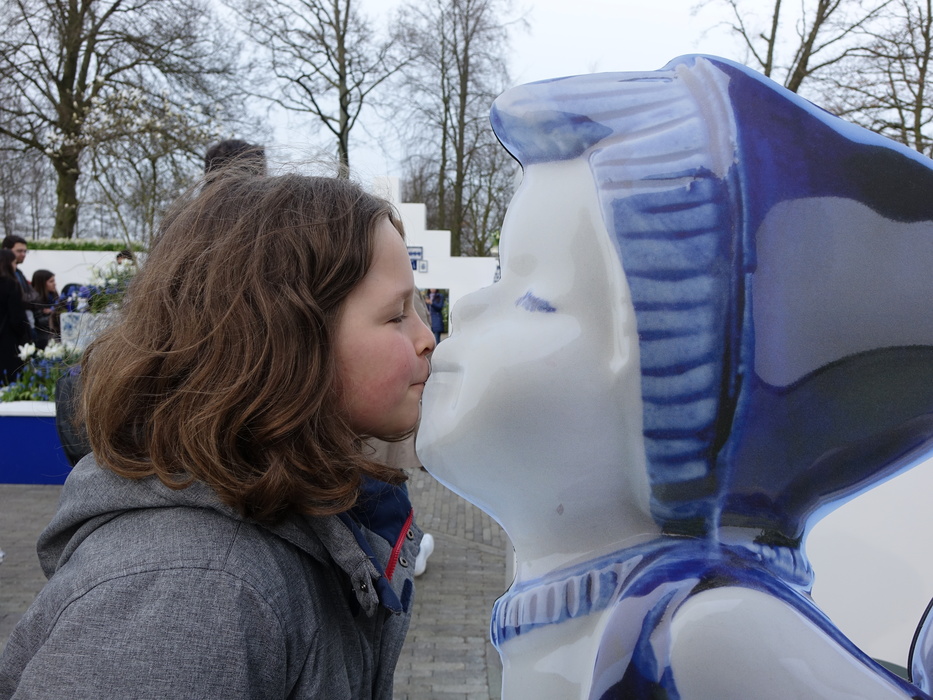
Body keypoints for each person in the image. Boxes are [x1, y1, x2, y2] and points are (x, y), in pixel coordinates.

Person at [418, 56, 933, 699]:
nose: (468, 307)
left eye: (534, 299)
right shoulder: (595, 613)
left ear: (667, 413)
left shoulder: (707, 635)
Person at [0, 173, 435, 697]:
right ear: (283, 342)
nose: (428, 338)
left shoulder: (303, 519)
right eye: (396, 315)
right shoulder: (192, 592)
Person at [0, 249, 29, 385]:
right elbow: (16, 317)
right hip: (7, 338)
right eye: (14, 263)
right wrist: (25, 335)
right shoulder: (11, 284)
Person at [1, 235, 37, 340]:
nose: (23, 254)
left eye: (25, 251)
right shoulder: (8, 279)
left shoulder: (19, 273)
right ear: (6, 250)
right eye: (19, 251)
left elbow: (33, 295)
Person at [29, 269, 59, 350]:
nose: (55, 283)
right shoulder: (36, 300)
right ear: (42, 283)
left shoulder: (54, 297)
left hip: (53, 335)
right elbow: (39, 322)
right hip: (43, 338)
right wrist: (55, 314)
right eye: (51, 281)